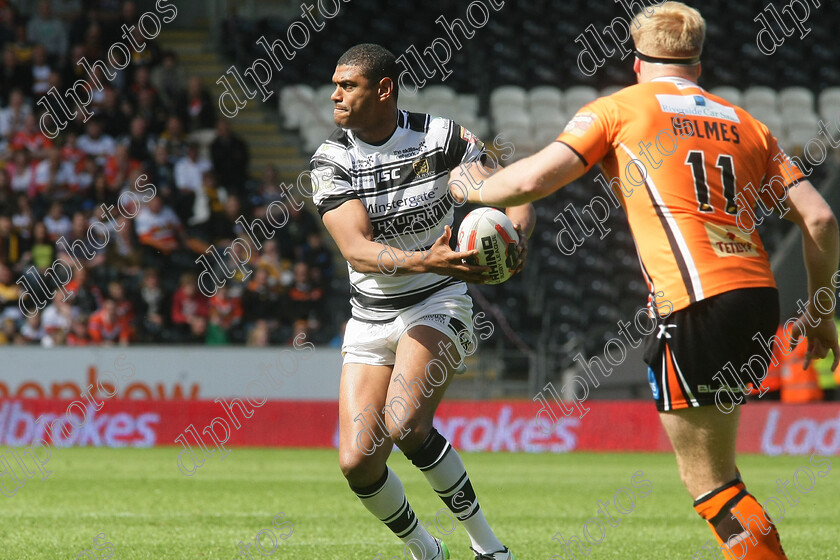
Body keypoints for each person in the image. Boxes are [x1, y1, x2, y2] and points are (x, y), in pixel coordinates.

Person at [452, 3, 839, 559]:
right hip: (758, 298)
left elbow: (533, 180)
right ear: (698, 67)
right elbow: (821, 218)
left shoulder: (620, 109)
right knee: (723, 475)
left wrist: (472, 187)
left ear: (636, 63)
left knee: (711, 483)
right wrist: (820, 312)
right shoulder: (746, 122)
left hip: (695, 302)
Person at [310, 44, 534, 560]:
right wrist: (421, 259)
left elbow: (509, 192)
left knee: (406, 422)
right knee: (357, 463)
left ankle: (489, 549)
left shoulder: (443, 139)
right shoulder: (332, 159)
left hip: (438, 299)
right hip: (370, 313)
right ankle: (427, 550)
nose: (335, 94)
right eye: (335, 84)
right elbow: (357, 250)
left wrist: (515, 236)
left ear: (383, 89)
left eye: (348, 85)